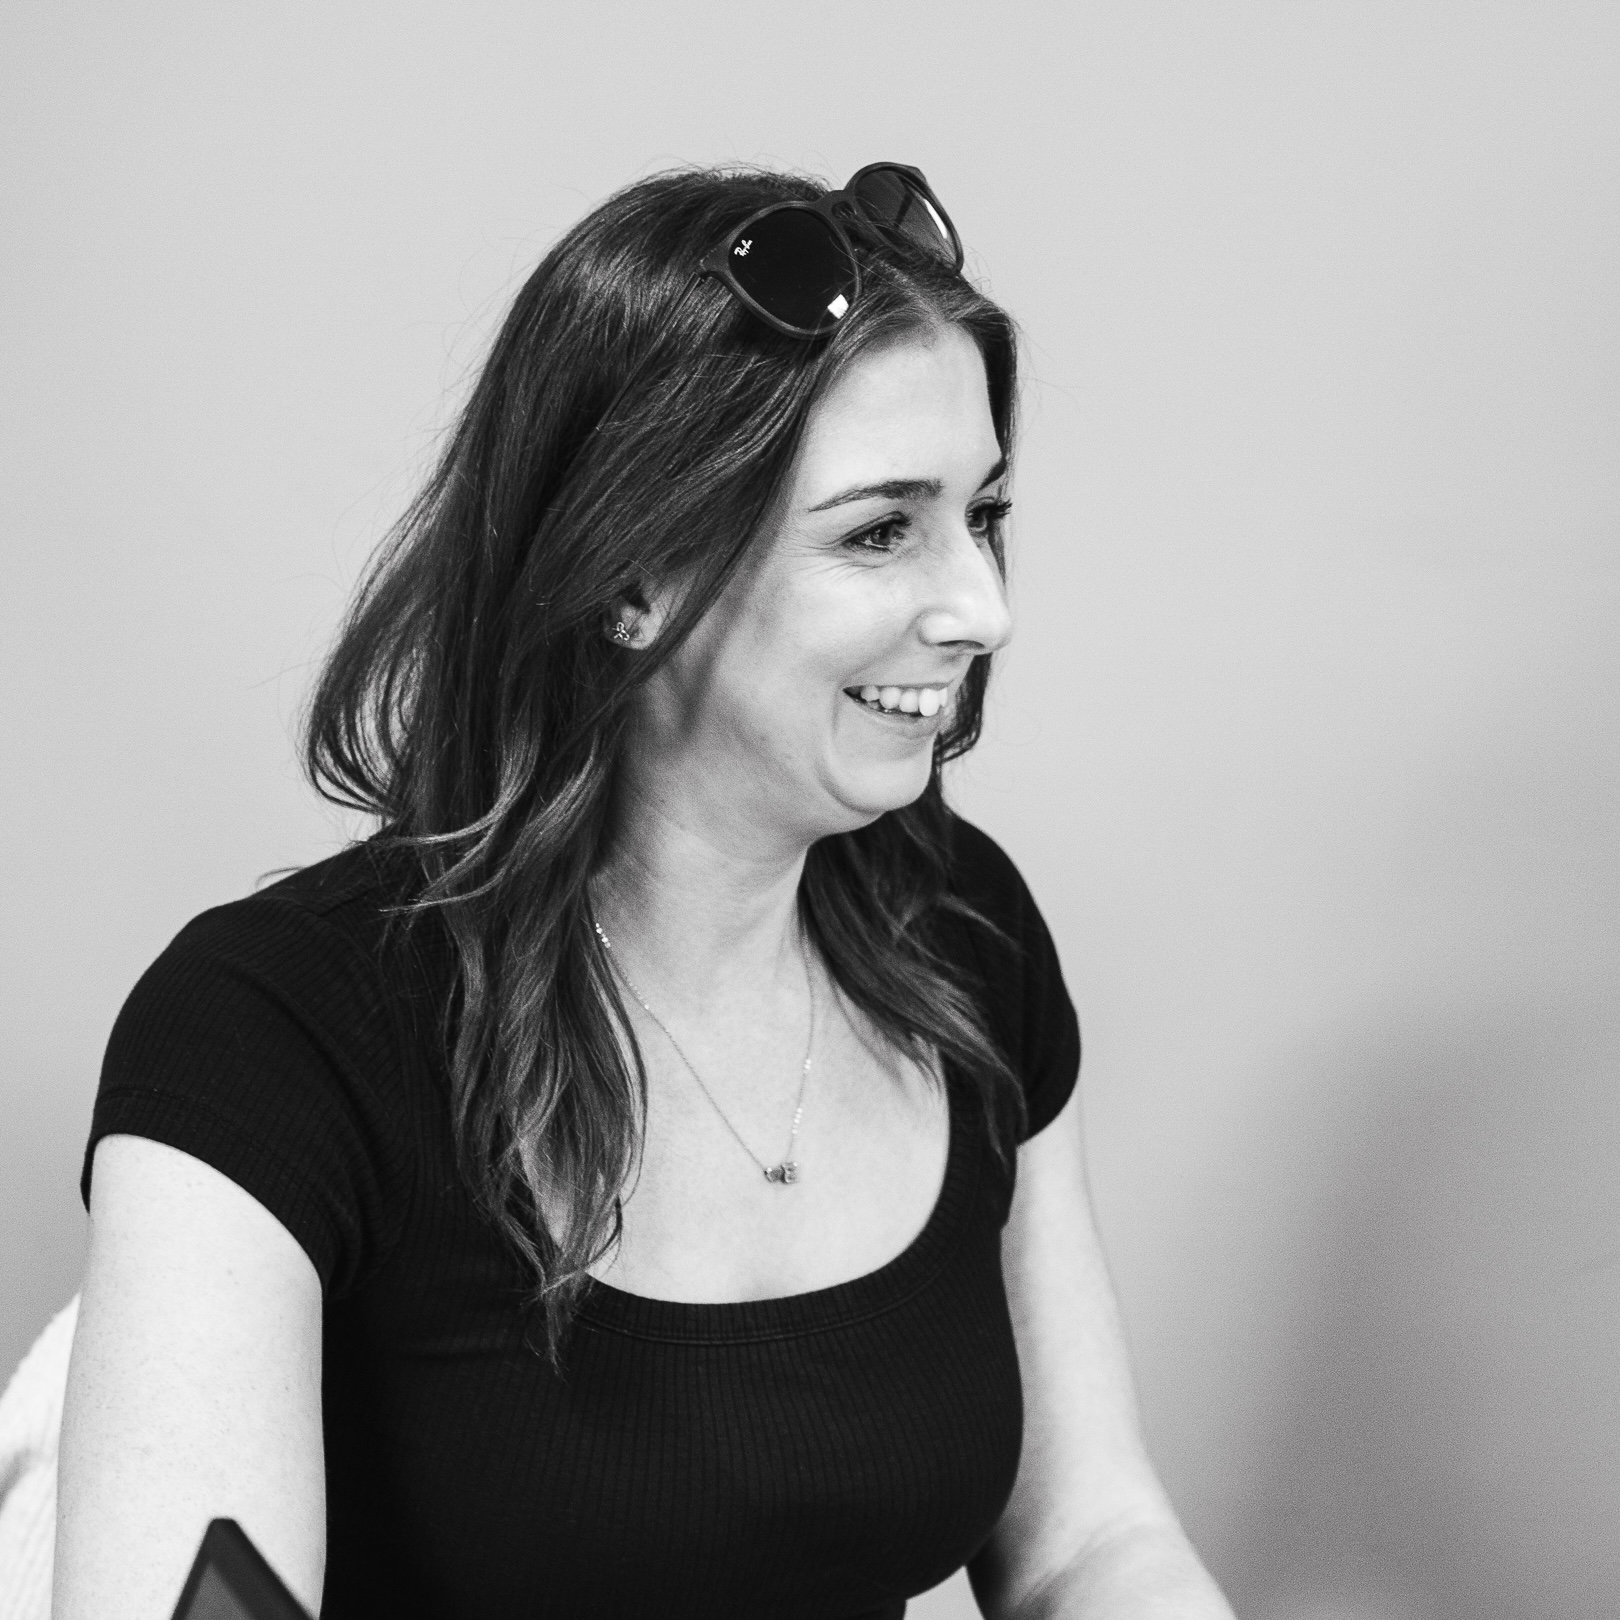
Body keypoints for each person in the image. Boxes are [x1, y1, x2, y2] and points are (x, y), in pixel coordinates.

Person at [53, 165, 1236, 1620]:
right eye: (880, 530)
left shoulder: (958, 932)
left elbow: (1087, 1542)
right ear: (631, 576)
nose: (984, 608)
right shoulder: (274, 1035)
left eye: (980, 514)